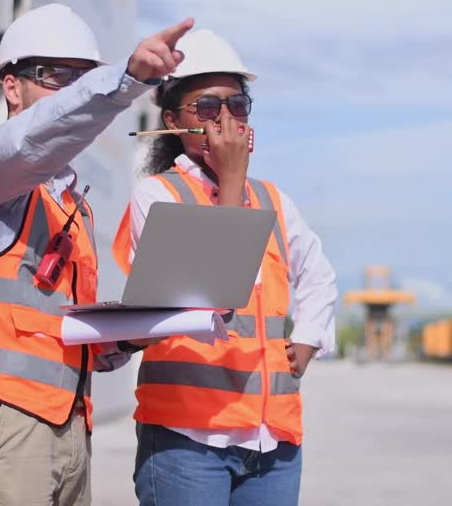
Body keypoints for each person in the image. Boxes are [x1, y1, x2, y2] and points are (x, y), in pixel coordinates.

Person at [0, 3, 191, 506]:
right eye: (56, 77)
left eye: (82, 78)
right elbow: (34, 137)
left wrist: (139, 331)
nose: (72, 92)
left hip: (67, 424)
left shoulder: (70, 204)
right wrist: (125, 78)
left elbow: (66, 338)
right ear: (11, 86)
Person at [111, 29, 339, 506]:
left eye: (237, 104)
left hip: (270, 441)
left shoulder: (273, 199)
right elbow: (214, 283)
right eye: (209, 108)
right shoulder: (158, 196)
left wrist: (310, 337)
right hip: (187, 441)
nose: (227, 119)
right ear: (172, 121)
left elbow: (318, 273)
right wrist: (232, 179)